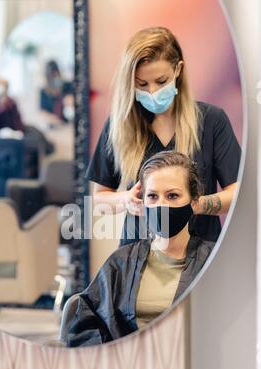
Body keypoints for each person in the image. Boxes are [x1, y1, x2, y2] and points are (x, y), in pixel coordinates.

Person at [85, 26, 241, 245]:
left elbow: (237, 193)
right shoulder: (118, 126)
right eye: (142, 84)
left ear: (178, 70)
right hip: (138, 256)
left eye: (161, 82)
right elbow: (99, 198)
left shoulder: (212, 120)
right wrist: (125, 200)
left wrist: (197, 204)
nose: (152, 92)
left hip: (200, 257)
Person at [63, 151, 215, 347]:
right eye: (152, 196)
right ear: (142, 203)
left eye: (173, 195)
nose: (161, 205)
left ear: (194, 202)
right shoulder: (121, 263)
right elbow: (84, 324)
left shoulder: (214, 262)